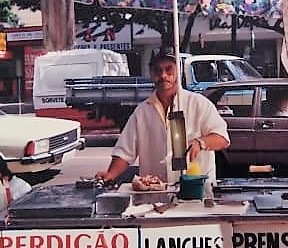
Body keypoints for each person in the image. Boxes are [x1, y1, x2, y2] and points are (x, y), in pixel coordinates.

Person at [96, 50, 230, 194]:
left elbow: (222, 138)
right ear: (151, 74)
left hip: (197, 189)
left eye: (169, 69)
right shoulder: (142, 112)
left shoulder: (199, 103)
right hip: (155, 192)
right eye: (158, 71)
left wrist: (200, 143)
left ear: (179, 72)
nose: (163, 75)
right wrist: (110, 174)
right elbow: (124, 151)